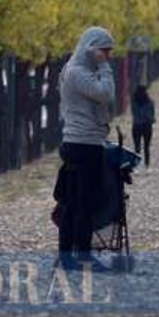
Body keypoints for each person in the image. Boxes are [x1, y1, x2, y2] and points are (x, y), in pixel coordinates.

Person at [55, 26, 117, 269]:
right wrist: (103, 66)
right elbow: (106, 94)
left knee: (74, 204)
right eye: (104, 51)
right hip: (83, 144)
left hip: (80, 142)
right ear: (91, 48)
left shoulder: (75, 71)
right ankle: (80, 254)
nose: (108, 57)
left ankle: (69, 255)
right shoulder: (78, 72)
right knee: (83, 205)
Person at [130, 84, 156, 171]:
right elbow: (152, 115)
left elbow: (133, 113)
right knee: (146, 147)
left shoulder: (134, 102)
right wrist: (150, 118)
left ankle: (136, 166)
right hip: (147, 126)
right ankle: (147, 165)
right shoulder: (150, 102)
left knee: (137, 147)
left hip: (136, 125)